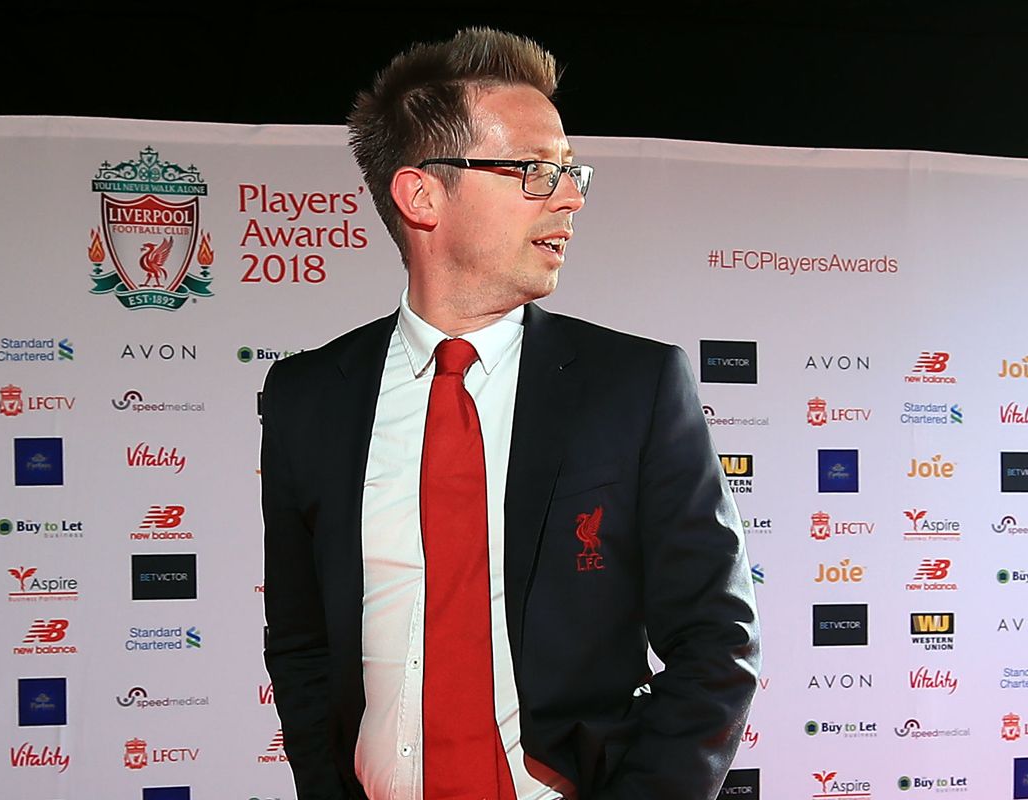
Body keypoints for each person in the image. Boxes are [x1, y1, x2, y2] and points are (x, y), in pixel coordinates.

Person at [261, 27, 760, 800]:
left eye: (569, 172)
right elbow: (301, 646)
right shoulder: (307, 398)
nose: (568, 197)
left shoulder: (635, 386)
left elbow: (717, 644)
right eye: (532, 170)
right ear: (421, 194)